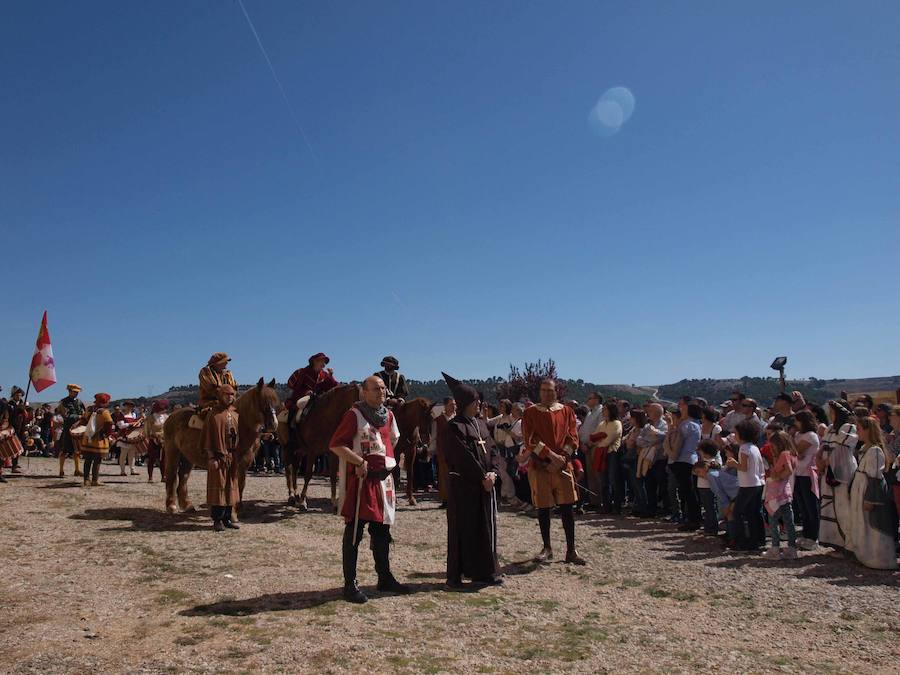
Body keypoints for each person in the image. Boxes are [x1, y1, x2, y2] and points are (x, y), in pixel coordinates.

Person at [329, 375, 409, 603]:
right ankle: (349, 584)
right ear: (364, 392)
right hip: (362, 482)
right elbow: (336, 444)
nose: (381, 392)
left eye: (383, 388)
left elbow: (391, 442)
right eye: (375, 389)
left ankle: (384, 578)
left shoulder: (389, 416)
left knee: (382, 532)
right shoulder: (354, 415)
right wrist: (358, 461)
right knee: (354, 532)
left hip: (383, 482)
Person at [440, 372, 501, 588]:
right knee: (462, 529)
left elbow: (492, 449)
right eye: (476, 401)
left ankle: (485, 572)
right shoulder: (454, 427)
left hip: (484, 485)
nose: (480, 405)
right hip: (464, 487)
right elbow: (462, 457)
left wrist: (493, 472)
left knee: (484, 528)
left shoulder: (481, 424)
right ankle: (456, 576)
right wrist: (481, 476)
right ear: (466, 403)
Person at [521, 379, 585, 565]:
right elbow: (530, 440)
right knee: (544, 507)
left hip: (562, 466)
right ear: (539, 392)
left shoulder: (567, 411)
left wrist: (563, 457)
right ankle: (547, 547)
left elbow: (573, 437)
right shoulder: (531, 412)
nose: (547, 393)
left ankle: (571, 550)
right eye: (543, 390)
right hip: (541, 466)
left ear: (556, 392)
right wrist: (549, 456)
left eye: (550, 390)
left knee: (567, 507)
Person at [846, 416, 897, 570]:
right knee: (862, 524)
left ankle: (878, 558)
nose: (858, 432)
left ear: (868, 430)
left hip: (868, 490)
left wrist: (870, 498)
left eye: (860, 429)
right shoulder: (864, 449)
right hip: (860, 488)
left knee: (872, 524)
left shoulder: (875, 451)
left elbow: (875, 477)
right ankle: (864, 554)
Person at [816, 400, 858, 554]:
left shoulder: (849, 428)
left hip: (843, 472)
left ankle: (850, 544)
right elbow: (823, 446)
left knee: (843, 506)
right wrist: (819, 460)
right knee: (830, 506)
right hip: (828, 472)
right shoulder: (831, 428)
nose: (830, 414)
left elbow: (842, 450)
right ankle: (836, 542)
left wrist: (827, 461)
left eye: (833, 412)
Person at [204, 384, 240, 533]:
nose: (230, 397)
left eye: (232, 395)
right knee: (219, 486)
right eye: (227, 395)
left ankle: (227, 518)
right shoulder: (214, 414)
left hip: (232, 456)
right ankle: (217, 520)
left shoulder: (236, 413)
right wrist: (212, 456)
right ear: (221, 396)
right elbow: (208, 437)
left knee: (230, 487)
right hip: (219, 456)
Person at [727, 419, 765, 551]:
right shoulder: (754, 447)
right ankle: (758, 539)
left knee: (737, 512)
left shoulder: (743, 448)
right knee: (754, 512)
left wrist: (733, 464)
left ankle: (742, 540)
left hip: (748, 484)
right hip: (758, 483)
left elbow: (743, 467)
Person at [761, 431, 799, 559]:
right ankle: (792, 548)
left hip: (777, 494)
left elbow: (788, 470)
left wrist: (777, 477)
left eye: (773, 446)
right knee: (789, 522)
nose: (771, 449)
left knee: (773, 521)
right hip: (786, 493)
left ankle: (775, 548)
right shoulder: (793, 455)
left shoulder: (784, 454)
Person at [792, 410, 821, 550]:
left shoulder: (810, 436)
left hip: (808, 474)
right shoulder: (798, 435)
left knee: (811, 507)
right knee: (803, 507)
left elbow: (798, 452)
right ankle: (806, 533)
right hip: (798, 473)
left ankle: (814, 536)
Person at [672, 403, 702, 531]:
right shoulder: (696, 425)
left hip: (683, 459)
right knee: (688, 490)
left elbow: (678, 440)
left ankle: (692, 519)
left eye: (683, 409)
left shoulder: (686, 425)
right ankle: (692, 518)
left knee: (687, 491)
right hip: (690, 458)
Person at [286, 352, 338, 424]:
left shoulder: (325, 375)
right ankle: (291, 428)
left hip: (318, 400)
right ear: (315, 361)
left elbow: (334, 387)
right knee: (296, 412)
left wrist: (331, 376)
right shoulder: (301, 372)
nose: (324, 365)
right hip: (300, 398)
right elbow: (291, 384)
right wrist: (305, 392)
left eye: (325, 362)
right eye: (322, 361)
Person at [589, 402, 622, 513]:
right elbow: (593, 437)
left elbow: (610, 439)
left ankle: (616, 506)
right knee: (603, 481)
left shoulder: (617, 423)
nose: (603, 411)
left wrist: (599, 441)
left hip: (612, 453)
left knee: (613, 480)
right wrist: (600, 439)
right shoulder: (602, 423)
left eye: (605, 409)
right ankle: (606, 506)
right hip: (601, 454)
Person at [696, 408, 723, 535]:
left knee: (710, 498)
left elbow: (718, 447)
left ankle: (713, 526)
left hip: (712, 458)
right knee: (705, 499)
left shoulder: (716, 429)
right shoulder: (701, 427)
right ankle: (709, 524)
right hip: (703, 457)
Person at [80, 393, 114, 487]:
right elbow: (109, 424)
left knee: (88, 459)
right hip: (99, 439)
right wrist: (108, 435)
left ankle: (86, 480)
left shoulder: (89, 409)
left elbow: (83, 420)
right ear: (105, 402)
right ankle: (95, 480)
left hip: (88, 438)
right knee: (97, 460)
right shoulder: (105, 412)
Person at [577, 393, 604, 510]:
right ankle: (594, 502)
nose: (587, 400)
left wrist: (589, 443)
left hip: (595, 446)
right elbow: (583, 430)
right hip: (586, 447)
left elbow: (600, 430)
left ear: (597, 400)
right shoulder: (589, 413)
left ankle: (602, 501)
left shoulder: (601, 412)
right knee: (591, 475)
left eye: (590, 398)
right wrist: (582, 443)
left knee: (598, 475)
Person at [56, 384, 85, 478]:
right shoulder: (64, 402)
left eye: (77, 392)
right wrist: (78, 417)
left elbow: (83, 412)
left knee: (77, 450)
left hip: (78, 428)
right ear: (69, 391)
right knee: (64, 450)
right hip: (68, 428)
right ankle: (61, 470)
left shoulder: (80, 402)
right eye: (74, 391)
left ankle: (77, 470)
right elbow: (66, 415)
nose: (76, 393)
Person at [434, 397, 456, 509]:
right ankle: (446, 499)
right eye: (451, 404)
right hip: (443, 451)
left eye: (454, 404)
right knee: (443, 476)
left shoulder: (457, 419)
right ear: (445, 406)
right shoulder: (439, 420)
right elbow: (434, 436)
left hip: (456, 452)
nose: (453, 406)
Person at [116, 400, 143, 476]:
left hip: (132, 436)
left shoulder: (133, 415)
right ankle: (122, 471)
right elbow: (121, 425)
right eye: (128, 406)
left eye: (131, 406)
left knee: (132, 454)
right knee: (123, 454)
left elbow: (136, 423)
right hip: (124, 436)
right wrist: (130, 424)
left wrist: (138, 424)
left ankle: (132, 470)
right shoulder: (121, 415)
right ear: (125, 406)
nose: (129, 407)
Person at [144, 399, 169, 482]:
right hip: (153, 440)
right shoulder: (150, 418)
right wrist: (152, 437)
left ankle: (163, 476)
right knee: (152, 459)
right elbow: (146, 431)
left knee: (163, 459)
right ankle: (150, 477)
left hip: (164, 440)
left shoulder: (166, 417)